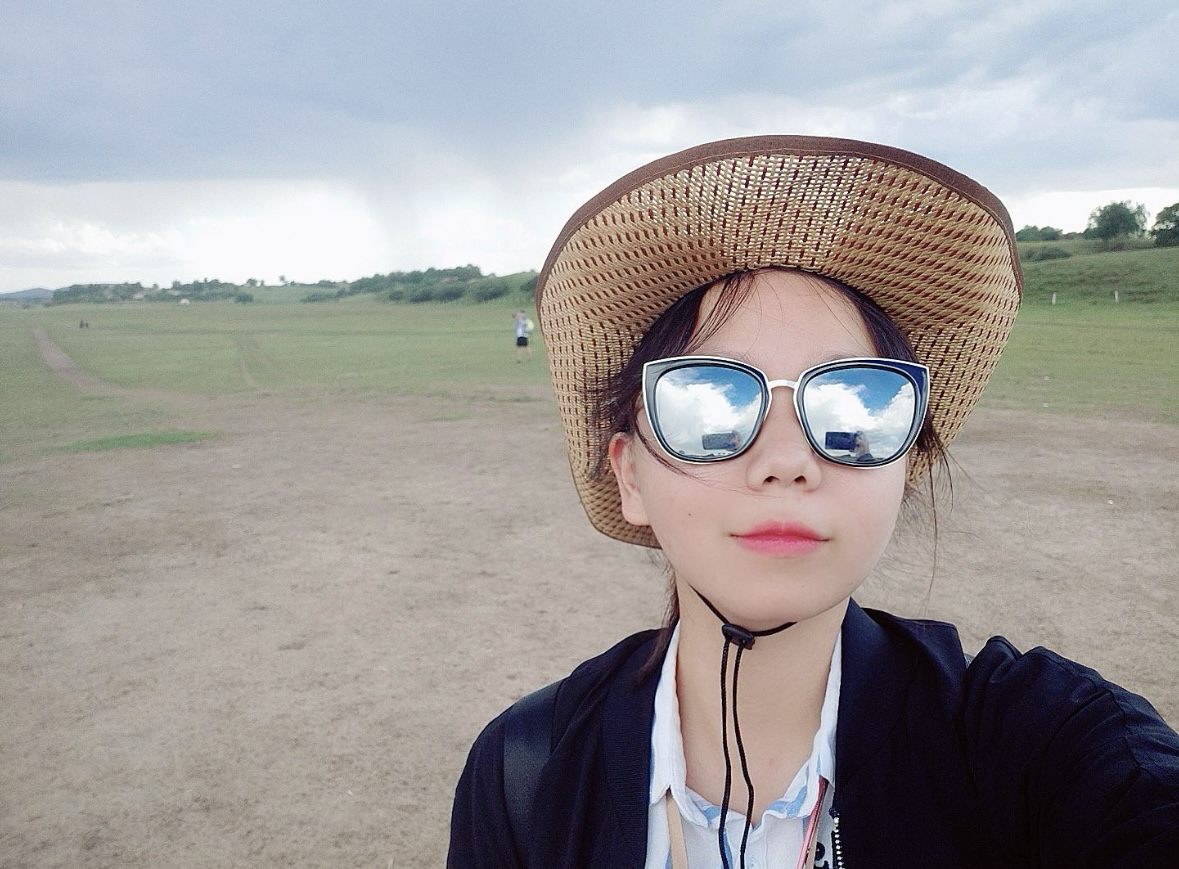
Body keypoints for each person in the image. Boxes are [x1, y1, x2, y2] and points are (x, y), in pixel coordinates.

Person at [448, 137, 1179, 868]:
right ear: (630, 476)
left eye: (853, 408)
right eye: (708, 403)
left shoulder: (1035, 740)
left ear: (905, 465)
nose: (786, 463)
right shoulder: (524, 771)